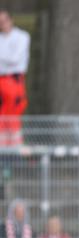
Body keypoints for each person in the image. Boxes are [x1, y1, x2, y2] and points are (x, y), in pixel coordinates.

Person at [0, 10, 30, 146]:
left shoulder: (22, 37)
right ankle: (5, 147)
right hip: (2, 80)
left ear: (11, 20)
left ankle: (15, 147)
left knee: (13, 112)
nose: (3, 23)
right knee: (3, 114)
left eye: (4, 20)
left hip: (14, 80)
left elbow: (15, 59)